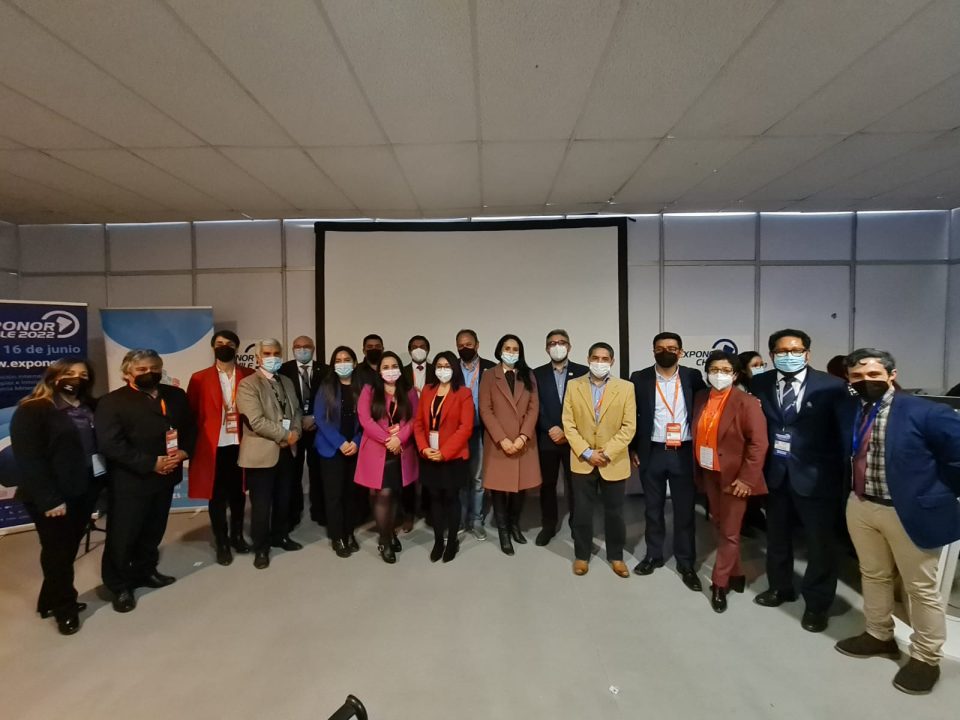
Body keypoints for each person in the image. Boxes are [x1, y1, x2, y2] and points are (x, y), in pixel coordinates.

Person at [834, 349, 960, 695]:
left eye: (874, 374)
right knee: (873, 575)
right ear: (849, 379)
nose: (866, 381)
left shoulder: (926, 411)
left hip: (908, 510)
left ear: (892, 375)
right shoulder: (852, 409)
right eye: (857, 376)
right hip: (861, 504)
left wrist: (936, 493)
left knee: (920, 588)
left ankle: (926, 657)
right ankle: (878, 634)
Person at [750, 328, 846, 633]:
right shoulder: (760, 382)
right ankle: (780, 588)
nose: (789, 356)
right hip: (776, 475)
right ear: (771, 355)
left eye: (796, 350)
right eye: (782, 351)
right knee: (777, 538)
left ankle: (817, 604)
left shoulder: (832, 386)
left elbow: (843, 434)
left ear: (807, 353)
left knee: (820, 545)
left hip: (817, 479)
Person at [95, 349, 196, 612]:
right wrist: (151, 463)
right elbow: (110, 444)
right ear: (127, 372)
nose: (149, 373)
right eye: (141, 369)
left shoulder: (175, 395)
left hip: (166, 477)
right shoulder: (111, 402)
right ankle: (119, 586)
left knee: (153, 530)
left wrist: (184, 452)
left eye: (154, 368)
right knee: (123, 535)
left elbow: (190, 427)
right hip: (131, 481)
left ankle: (146, 570)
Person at [10, 358, 102, 634]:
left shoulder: (90, 406)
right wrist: (50, 499)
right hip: (52, 494)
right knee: (58, 551)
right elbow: (30, 459)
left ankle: (48, 600)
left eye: (83, 374)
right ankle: (65, 607)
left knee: (67, 547)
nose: (76, 378)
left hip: (84, 488)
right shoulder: (33, 409)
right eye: (69, 373)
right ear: (54, 376)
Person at [691, 351, 768, 613]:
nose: (719, 375)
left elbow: (759, 444)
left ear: (735, 375)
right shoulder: (701, 397)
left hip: (735, 477)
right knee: (718, 523)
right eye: (714, 369)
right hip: (709, 471)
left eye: (725, 370)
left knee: (730, 531)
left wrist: (747, 479)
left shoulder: (746, 402)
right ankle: (736, 573)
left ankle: (719, 583)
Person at [629, 332, 706, 591]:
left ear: (681, 352)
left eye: (672, 348)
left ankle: (686, 562)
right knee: (653, 508)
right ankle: (654, 555)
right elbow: (632, 415)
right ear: (653, 351)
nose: (666, 352)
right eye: (660, 348)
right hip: (652, 450)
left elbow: (707, 406)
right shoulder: (639, 378)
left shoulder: (692, 376)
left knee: (684, 510)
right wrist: (633, 448)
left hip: (683, 451)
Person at [561, 342, 636, 577]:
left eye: (605, 359)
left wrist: (606, 452)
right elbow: (568, 424)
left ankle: (616, 556)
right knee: (582, 512)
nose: (600, 362)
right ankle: (582, 556)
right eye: (596, 358)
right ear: (588, 359)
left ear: (612, 361)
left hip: (613, 461)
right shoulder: (574, 385)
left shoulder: (626, 388)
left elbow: (629, 426)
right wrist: (587, 452)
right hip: (582, 460)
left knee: (615, 513)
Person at [186, 330, 254, 566]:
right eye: (219, 343)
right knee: (216, 496)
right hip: (213, 445)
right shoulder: (199, 378)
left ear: (237, 347)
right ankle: (222, 541)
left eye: (229, 343)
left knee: (238, 493)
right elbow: (192, 412)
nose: (224, 346)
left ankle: (237, 536)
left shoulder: (249, 374)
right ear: (213, 347)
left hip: (241, 443)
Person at [236, 339, 303, 570]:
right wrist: (285, 435)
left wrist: (295, 432)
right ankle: (261, 547)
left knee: (283, 498)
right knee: (261, 504)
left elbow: (296, 411)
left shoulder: (286, 381)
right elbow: (255, 421)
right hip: (261, 452)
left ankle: (280, 536)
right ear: (257, 357)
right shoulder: (248, 384)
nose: (272, 357)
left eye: (276, 353)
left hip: (287, 451)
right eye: (267, 353)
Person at [479, 334, 541, 556]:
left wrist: (523, 436)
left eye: (515, 349)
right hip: (499, 442)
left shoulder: (528, 375)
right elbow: (485, 409)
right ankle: (503, 531)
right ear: (499, 350)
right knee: (498, 488)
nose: (511, 352)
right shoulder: (489, 375)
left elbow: (533, 408)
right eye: (507, 348)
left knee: (520, 486)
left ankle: (514, 524)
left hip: (523, 441)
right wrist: (502, 439)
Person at [355, 351, 419, 563]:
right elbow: (365, 420)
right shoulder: (369, 390)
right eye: (385, 367)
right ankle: (384, 539)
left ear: (400, 368)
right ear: (379, 371)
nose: (390, 370)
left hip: (401, 451)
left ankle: (390, 532)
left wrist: (399, 437)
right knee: (381, 494)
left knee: (393, 493)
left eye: (394, 366)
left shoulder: (409, 391)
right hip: (376, 450)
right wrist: (387, 439)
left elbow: (415, 418)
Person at [413, 351, 474, 563]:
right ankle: (439, 540)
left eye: (447, 366)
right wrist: (424, 449)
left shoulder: (463, 393)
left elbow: (465, 428)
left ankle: (452, 541)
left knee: (451, 497)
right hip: (429, 454)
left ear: (454, 369)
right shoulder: (428, 390)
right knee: (435, 498)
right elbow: (418, 424)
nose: (442, 370)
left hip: (453, 456)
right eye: (439, 366)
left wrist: (445, 453)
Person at [532, 329, 588, 546]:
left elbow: (585, 407)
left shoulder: (583, 372)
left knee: (576, 485)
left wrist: (567, 430)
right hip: (547, 438)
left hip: (575, 439)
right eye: (553, 343)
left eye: (562, 342)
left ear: (569, 347)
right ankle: (548, 525)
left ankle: (577, 525)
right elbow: (534, 406)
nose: (557, 346)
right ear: (547, 348)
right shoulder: (536, 374)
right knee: (548, 485)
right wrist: (550, 428)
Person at [313, 346, 363, 558]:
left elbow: (367, 420)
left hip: (355, 449)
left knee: (351, 495)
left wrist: (356, 442)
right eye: (338, 360)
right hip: (331, 449)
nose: (343, 363)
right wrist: (340, 443)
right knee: (334, 495)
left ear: (354, 363)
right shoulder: (326, 387)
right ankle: (337, 536)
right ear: (333, 365)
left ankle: (349, 532)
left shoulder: (362, 387)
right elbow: (320, 418)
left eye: (347, 359)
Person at [278, 335, 326, 530]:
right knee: (292, 473)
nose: (302, 349)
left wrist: (316, 418)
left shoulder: (326, 370)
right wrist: (298, 423)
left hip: (318, 429)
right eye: (298, 346)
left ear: (313, 349)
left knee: (318, 472)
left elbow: (330, 400)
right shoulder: (283, 370)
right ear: (292, 349)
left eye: (306, 346)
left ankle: (319, 511)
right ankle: (293, 512)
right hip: (293, 431)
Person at [456, 329, 496, 540]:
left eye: (469, 344)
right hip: (457, 433)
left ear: (477, 345)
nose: (465, 348)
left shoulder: (490, 368)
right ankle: (462, 520)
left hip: (481, 430)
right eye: (460, 345)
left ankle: (477, 520)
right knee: (461, 478)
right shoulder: (451, 368)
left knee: (478, 479)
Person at [399, 334, 435, 532]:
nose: (418, 349)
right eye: (414, 346)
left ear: (428, 350)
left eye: (422, 346)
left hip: (431, 429)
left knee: (430, 470)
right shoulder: (401, 372)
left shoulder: (437, 370)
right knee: (408, 473)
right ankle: (408, 513)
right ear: (409, 350)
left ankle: (429, 510)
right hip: (407, 427)